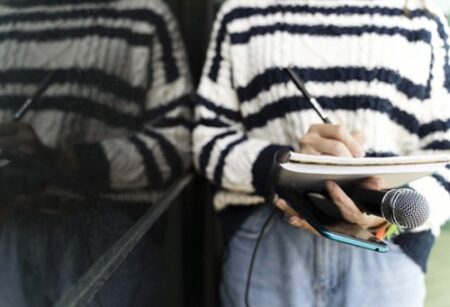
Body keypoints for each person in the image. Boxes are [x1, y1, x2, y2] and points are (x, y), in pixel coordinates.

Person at [194, 0, 450, 306]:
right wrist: (288, 168)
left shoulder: (423, 20)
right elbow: (207, 144)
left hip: (387, 252)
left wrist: (386, 213)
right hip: (269, 247)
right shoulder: (242, 13)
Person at [0, 0, 192, 306]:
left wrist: (59, 160)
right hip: (12, 229)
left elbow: (176, 146)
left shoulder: (143, 15)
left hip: (104, 232)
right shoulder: (6, 18)